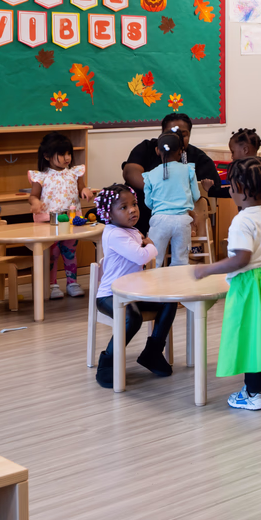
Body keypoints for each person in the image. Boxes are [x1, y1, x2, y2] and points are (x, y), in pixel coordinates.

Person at [196, 157, 261, 410]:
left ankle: (253, 395)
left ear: (240, 189)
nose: (229, 190)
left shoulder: (242, 221)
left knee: (252, 336)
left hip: (250, 283)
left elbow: (241, 259)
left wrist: (208, 269)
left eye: (231, 185)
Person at [91, 185, 179, 387]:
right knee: (132, 317)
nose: (132, 210)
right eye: (123, 207)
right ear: (108, 214)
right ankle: (107, 363)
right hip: (110, 295)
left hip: (134, 293)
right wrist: (151, 245)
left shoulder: (132, 231)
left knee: (169, 301)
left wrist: (147, 244)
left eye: (134, 204)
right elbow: (142, 255)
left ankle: (153, 352)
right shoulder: (114, 233)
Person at [123, 112, 220, 233]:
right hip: (145, 213)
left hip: (184, 217)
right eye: (171, 134)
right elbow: (130, 173)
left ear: (189, 135)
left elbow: (210, 188)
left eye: (183, 135)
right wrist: (160, 189)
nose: (177, 139)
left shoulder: (198, 158)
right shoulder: (147, 148)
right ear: (162, 133)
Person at [28, 132, 94, 300]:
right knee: (52, 253)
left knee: (70, 252)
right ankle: (52, 285)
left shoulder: (75, 173)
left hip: (70, 220)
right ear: (47, 156)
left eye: (69, 154)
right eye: (62, 154)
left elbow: (81, 189)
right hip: (48, 223)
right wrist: (35, 203)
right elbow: (33, 196)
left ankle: (72, 282)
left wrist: (85, 191)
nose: (67, 158)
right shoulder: (41, 176)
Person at [143, 131, 201, 267]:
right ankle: (177, 287)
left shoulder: (150, 175)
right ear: (181, 152)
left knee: (154, 259)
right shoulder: (188, 170)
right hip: (182, 221)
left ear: (158, 151)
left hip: (159, 220)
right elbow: (196, 196)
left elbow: (148, 202)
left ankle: (152, 286)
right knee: (181, 260)